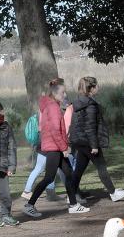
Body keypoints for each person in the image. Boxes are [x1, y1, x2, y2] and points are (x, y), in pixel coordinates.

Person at [23, 78, 89, 217]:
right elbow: (55, 131)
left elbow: (60, 129)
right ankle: (29, 205)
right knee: (49, 178)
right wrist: (64, 147)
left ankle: (73, 205)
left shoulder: (52, 105)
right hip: (53, 148)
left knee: (69, 174)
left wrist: (64, 146)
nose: (65, 95)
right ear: (55, 93)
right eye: (63, 92)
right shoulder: (53, 107)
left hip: (55, 146)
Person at [68, 76, 124, 205]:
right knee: (101, 167)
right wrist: (94, 146)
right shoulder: (90, 105)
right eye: (97, 86)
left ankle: (71, 195)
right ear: (92, 88)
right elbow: (90, 127)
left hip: (79, 141)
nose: (99, 88)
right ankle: (113, 193)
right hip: (88, 142)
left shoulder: (78, 102)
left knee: (79, 169)